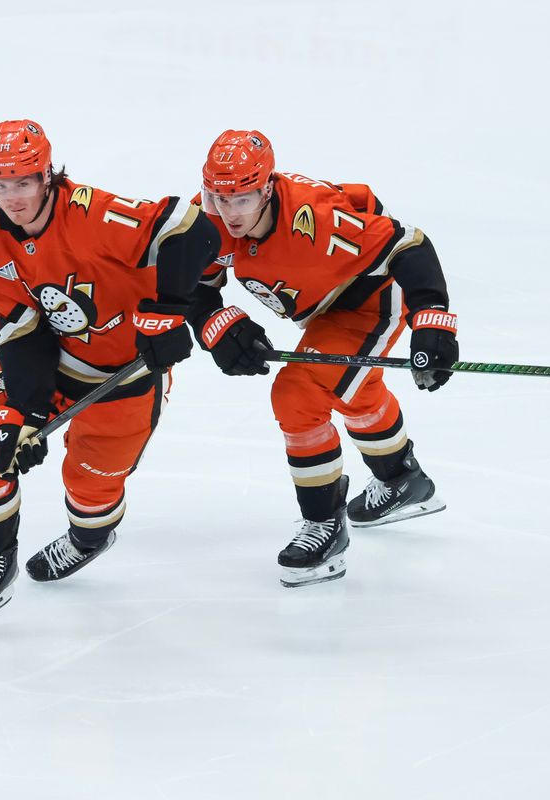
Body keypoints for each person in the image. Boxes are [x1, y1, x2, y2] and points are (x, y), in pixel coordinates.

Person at [0, 119, 218, 632]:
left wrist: (167, 311)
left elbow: (195, 231)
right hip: (52, 362)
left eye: (23, 183)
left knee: (91, 488)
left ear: (47, 176)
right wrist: (22, 411)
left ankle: (90, 538)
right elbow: (23, 334)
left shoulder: (95, 215)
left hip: (125, 373)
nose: (11, 198)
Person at [190, 130, 457, 588]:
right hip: (324, 308)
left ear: (268, 187)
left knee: (298, 394)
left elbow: (407, 245)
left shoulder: (316, 219)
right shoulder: (210, 215)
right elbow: (194, 286)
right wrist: (216, 326)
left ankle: (324, 525)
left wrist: (432, 318)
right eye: (219, 197)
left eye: (242, 198)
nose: (229, 212)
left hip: (371, 299)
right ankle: (402, 479)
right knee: (352, 390)